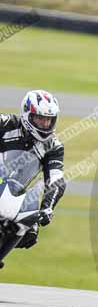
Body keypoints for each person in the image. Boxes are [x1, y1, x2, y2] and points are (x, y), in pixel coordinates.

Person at [0, 90, 66, 251]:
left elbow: (56, 178)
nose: (45, 124)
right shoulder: (5, 123)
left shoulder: (54, 146)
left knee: (30, 233)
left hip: (13, 195)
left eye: (49, 120)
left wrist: (47, 207)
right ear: (26, 115)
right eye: (40, 118)